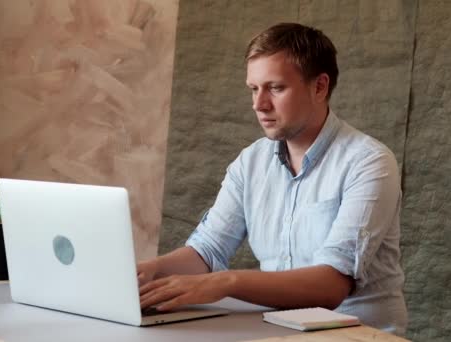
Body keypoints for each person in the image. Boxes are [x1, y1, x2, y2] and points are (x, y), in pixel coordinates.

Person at [137, 22, 408, 335]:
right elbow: (208, 250)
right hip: (277, 332)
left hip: (357, 335)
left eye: (275, 88)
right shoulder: (249, 162)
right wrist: (147, 273)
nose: (259, 104)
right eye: (254, 89)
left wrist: (225, 282)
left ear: (320, 87)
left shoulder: (369, 162)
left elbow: (331, 286)